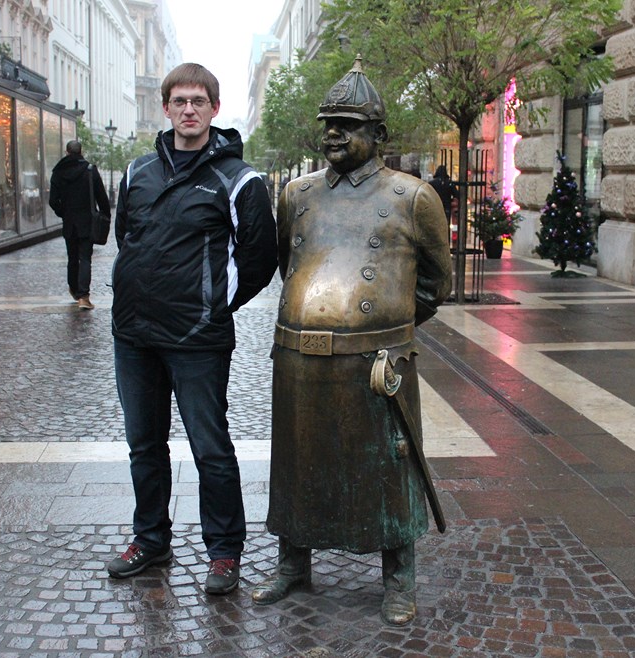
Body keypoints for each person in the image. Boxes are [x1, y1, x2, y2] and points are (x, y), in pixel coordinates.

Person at [251, 58, 452, 625]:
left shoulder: (413, 198)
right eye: (329, 124)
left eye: (348, 125)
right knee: (297, 463)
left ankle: (399, 578)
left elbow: (435, 285)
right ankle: (293, 564)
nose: (334, 134)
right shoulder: (297, 194)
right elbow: (288, 264)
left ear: (379, 134)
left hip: (376, 362)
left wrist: (383, 325)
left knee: (390, 466)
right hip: (300, 358)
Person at [106, 63, 278, 595]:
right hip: (134, 334)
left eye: (198, 101)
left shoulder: (239, 179)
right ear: (166, 108)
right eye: (179, 101)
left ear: (214, 109)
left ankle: (224, 551)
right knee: (144, 445)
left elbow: (259, 258)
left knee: (210, 448)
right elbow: (126, 237)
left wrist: (214, 305)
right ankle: (151, 538)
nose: (188, 110)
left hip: (197, 339)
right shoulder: (138, 172)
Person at [49, 140, 110, 310]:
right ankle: (84, 296)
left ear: (67, 152)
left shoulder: (58, 172)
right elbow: (102, 197)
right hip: (87, 221)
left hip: (69, 222)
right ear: (81, 151)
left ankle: (74, 290)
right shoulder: (90, 170)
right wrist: (105, 216)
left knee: (72, 258)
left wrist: (63, 212)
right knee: (85, 258)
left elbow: (53, 200)